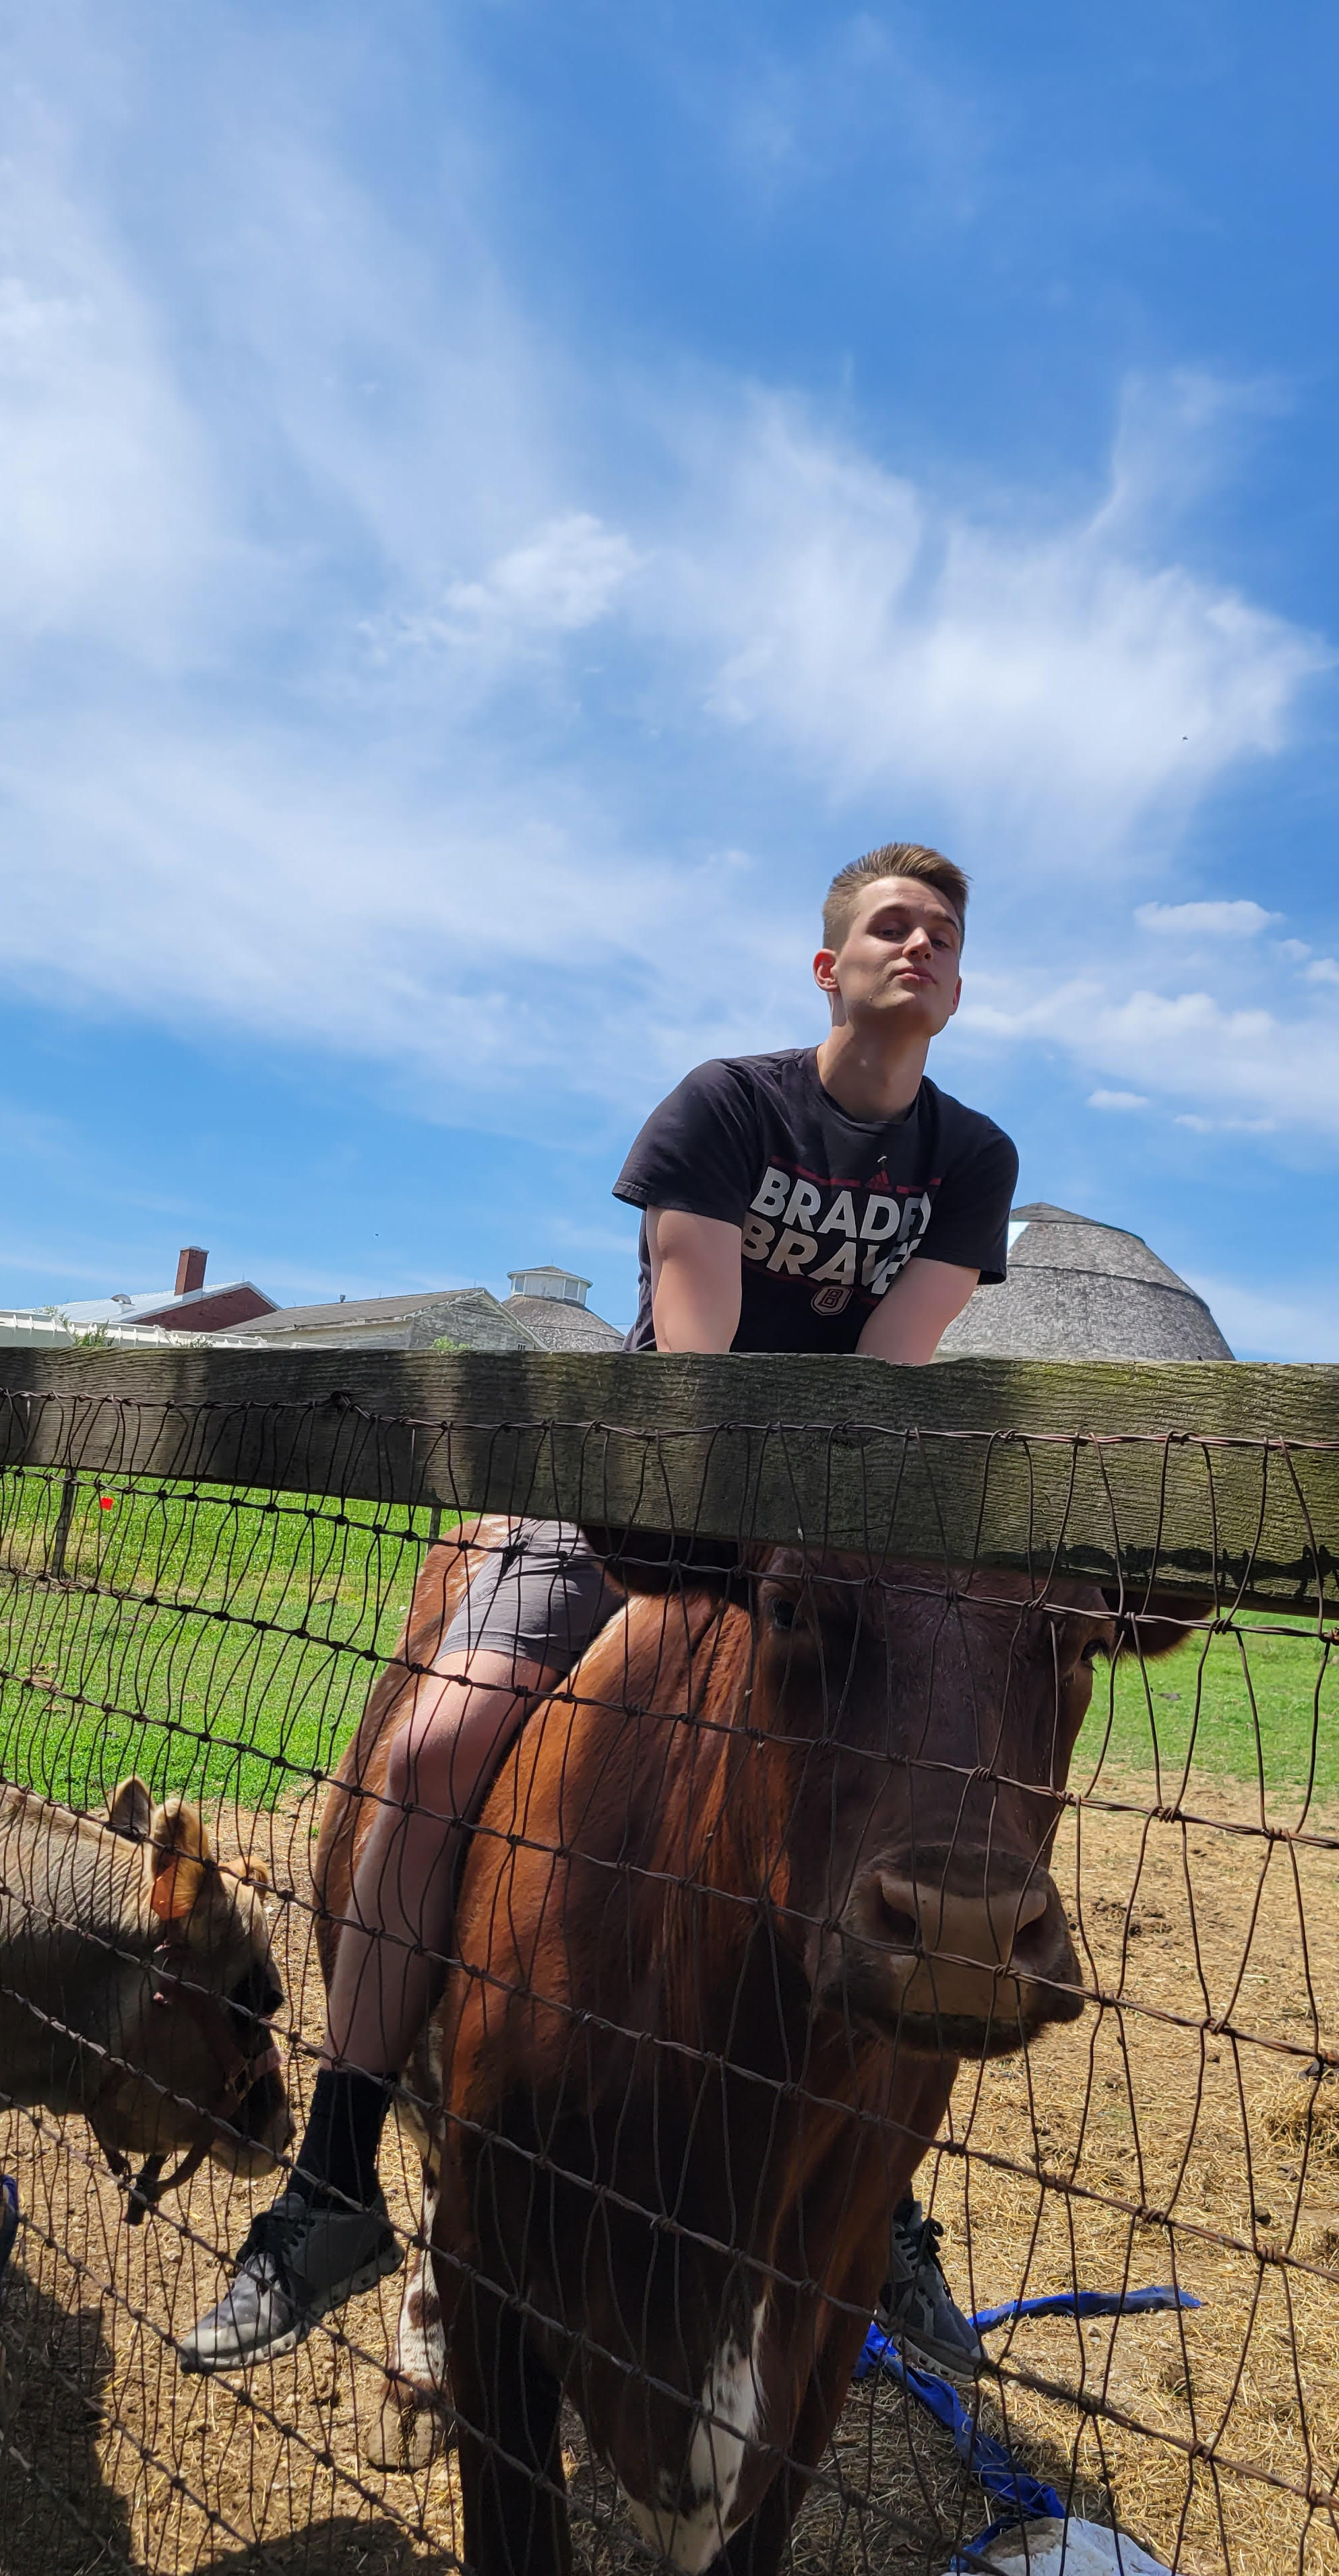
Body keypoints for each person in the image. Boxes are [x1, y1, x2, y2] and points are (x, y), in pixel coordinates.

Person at [181, 842, 1019, 2379]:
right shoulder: (726, 1109)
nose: (921, 947)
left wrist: (833, 1571)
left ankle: (880, 2200)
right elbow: (692, 1375)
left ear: (960, 984)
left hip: (834, 1524)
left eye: (945, 936)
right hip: (651, 1491)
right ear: (826, 966)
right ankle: (337, 2178)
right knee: (436, 1753)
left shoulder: (972, 1159)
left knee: (927, 1808)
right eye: (891, 925)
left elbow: (889, 1382)